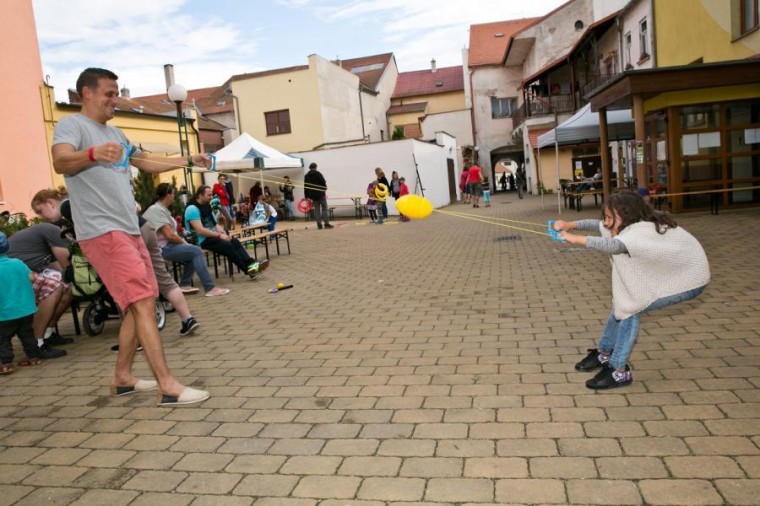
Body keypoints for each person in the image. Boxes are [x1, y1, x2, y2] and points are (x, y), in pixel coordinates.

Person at [51, 67, 210, 406]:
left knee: (140, 302)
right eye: (109, 93)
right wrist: (93, 153)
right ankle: (168, 386)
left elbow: (147, 161)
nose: (115, 99)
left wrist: (189, 161)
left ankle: (123, 377)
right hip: (103, 231)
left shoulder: (118, 133)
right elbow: (61, 161)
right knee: (142, 302)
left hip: (129, 229)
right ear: (87, 93)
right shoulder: (72, 125)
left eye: (117, 91)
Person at [552, 191, 710, 389]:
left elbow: (613, 245)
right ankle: (604, 353)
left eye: (610, 217)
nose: (606, 223)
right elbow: (596, 225)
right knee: (623, 304)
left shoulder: (639, 232)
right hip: (672, 275)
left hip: (689, 280)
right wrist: (569, 225)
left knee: (630, 308)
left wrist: (575, 239)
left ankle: (619, 371)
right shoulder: (628, 223)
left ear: (627, 215)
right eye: (606, 217)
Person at [143, 183, 229, 297]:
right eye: (173, 193)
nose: (174, 196)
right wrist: (184, 242)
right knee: (196, 251)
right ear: (168, 195)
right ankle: (210, 288)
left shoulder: (161, 209)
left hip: (166, 245)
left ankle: (184, 284)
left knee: (193, 252)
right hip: (161, 248)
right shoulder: (156, 210)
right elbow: (169, 235)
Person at [7, 221, 74, 355]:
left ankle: (47, 334)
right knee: (55, 286)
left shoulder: (43, 242)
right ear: (64, 228)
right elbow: (66, 266)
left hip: (19, 275)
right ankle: (36, 344)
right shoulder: (53, 231)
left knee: (67, 288)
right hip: (11, 278)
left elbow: (60, 271)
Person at [185, 185, 267, 278]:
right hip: (200, 240)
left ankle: (252, 264)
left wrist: (224, 234)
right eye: (209, 195)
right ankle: (248, 270)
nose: (211, 197)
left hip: (211, 237)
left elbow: (215, 224)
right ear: (200, 195)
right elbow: (200, 231)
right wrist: (219, 236)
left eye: (212, 195)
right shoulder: (192, 209)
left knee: (234, 242)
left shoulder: (206, 206)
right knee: (227, 246)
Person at [0, 232, 44, 374]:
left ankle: (5, 363)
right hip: (26, 309)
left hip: (5, 312)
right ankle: (33, 357)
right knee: (26, 334)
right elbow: (32, 277)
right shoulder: (18, 263)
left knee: (3, 339)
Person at [304, 163, 333, 229]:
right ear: (315, 167)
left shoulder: (306, 176)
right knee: (324, 209)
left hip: (313, 196)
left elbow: (305, 186)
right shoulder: (318, 174)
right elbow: (323, 182)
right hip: (320, 194)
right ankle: (326, 224)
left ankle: (319, 225)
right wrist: (324, 189)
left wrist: (306, 196)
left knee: (316, 210)